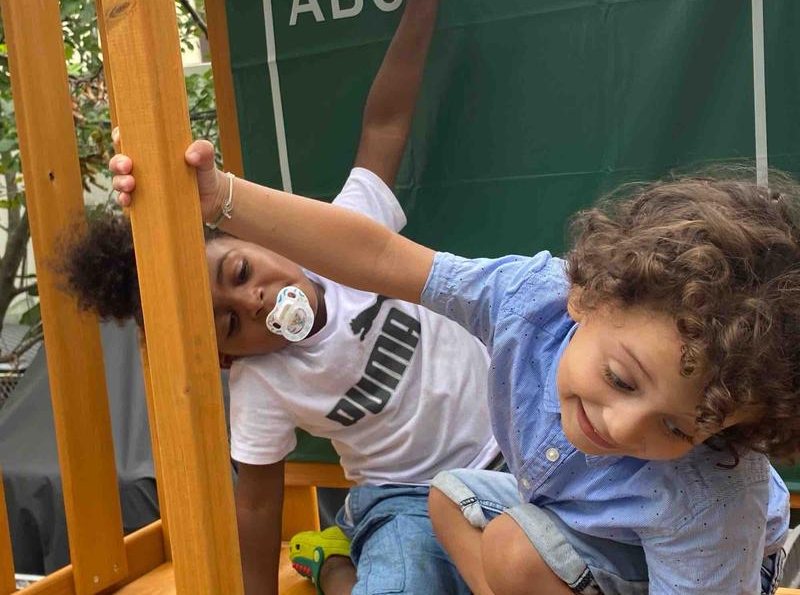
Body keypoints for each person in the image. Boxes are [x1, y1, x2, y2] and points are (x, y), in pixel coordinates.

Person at [110, 107, 800, 592]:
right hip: (553, 517)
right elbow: (381, 255)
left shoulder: (709, 500)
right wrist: (220, 197)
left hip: (685, 568)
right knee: (451, 499)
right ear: (587, 296)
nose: (623, 427)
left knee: (516, 552)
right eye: (620, 379)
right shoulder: (528, 299)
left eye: (678, 428)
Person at [62, 0, 503, 595]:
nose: (253, 303)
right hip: (405, 499)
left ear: (258, 234)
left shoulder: (342, 237)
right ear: (229, 359)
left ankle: (331, 558)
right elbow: (256, 503)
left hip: (510, 446)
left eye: (241, 272)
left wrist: (421, 10)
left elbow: (385, 126)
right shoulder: (262, 385)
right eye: (230, 325)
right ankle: (334, 564)